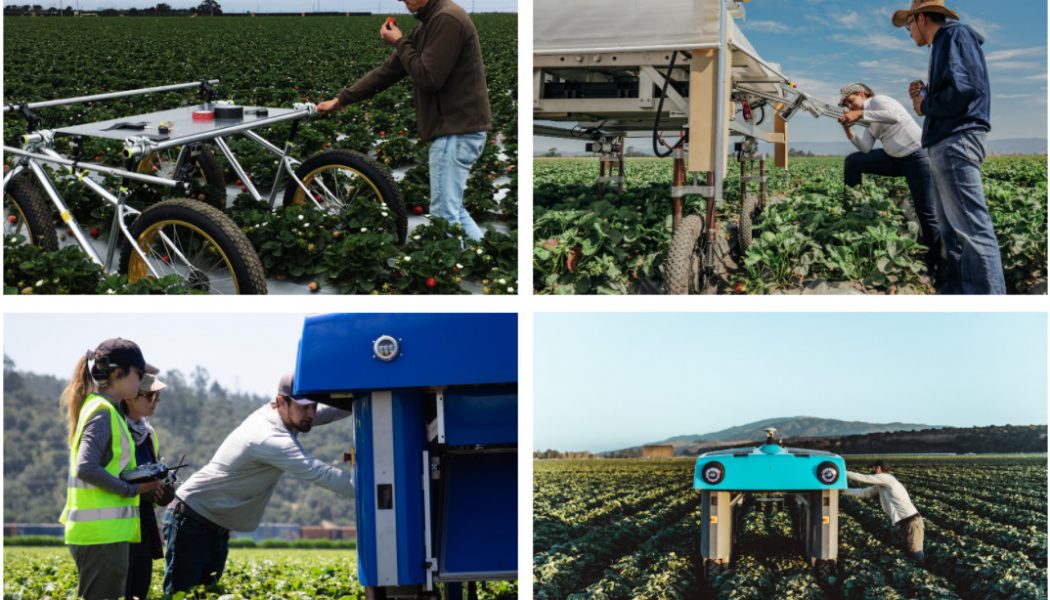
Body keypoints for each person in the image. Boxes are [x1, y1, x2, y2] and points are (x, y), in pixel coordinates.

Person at [161, 372, 354, 595]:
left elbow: (328, 412)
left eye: (313, 406)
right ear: (281, 402)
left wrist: (363, 396)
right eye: (304, 407)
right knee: (181, 596)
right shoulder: (269, 436)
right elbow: (318, 471)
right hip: (191, 520)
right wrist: (375, 489)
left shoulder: (285, 415)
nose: (310, 413)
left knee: (205, 595)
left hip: (213, 525)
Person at [316, 0, 492, 241]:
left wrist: (400, 41)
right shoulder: (430, 22)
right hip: (454, 129)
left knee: (444, 214)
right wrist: (341, 99)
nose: (403, 0)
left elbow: (429, 78)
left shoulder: (447, 19)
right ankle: (485, 260)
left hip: (456, 130)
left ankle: (466, 268)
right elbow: (389, 71)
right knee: (452, 209)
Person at [893, 0, 1006, 294]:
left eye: (908, 24)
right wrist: (926, 97)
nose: (908, 32)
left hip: (956, 140)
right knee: (954, 231)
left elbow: (966, 89)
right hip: (948, 141)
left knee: (972, 231)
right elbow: (956, 90)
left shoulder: (954, 35)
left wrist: (926, 103)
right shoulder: (944, 44)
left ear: (920, 18)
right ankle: (959, 292)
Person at [59, 338, 164, 600]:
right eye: (139, 374)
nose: (142, 382)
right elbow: (85, 467)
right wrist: (132, 489)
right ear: (118, 373)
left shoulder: (107, 410)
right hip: (100, 538)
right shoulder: (103, 412)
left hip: (106, 536)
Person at [837, 82, 941, 276]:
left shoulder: (878, 101)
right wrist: (848, 130)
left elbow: (894, 117)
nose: (849, 107)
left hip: (917, 157)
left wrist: (859, 114)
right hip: (894, 159)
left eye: (850, 102)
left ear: (862, 94)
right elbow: (866, 148)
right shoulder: (870, 121)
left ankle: (935, 262)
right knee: (853, 161)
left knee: (926, 212)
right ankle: (854, 209)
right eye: (847, 106)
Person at [122, 373, 175, 600]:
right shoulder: (116, 427)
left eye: (158, 396)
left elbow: (156, 467)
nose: (155, 401)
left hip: (142, 523)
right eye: (149, 395)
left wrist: (164, 490)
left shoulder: (149, 432)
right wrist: (142, 490)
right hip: (119, 524)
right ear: (129, 397)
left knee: (140, 590)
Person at [844, 460, 925, 562]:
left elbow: (864, 478)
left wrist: (841, 472)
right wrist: (843, 491)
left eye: (873, 468)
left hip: (912, 522)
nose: (872, 471)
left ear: (878, 468)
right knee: (909, 553)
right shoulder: (882, 484)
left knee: (915, 554)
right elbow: (865, 493)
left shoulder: (886, 478)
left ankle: (922, 570)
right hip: (906, 523)